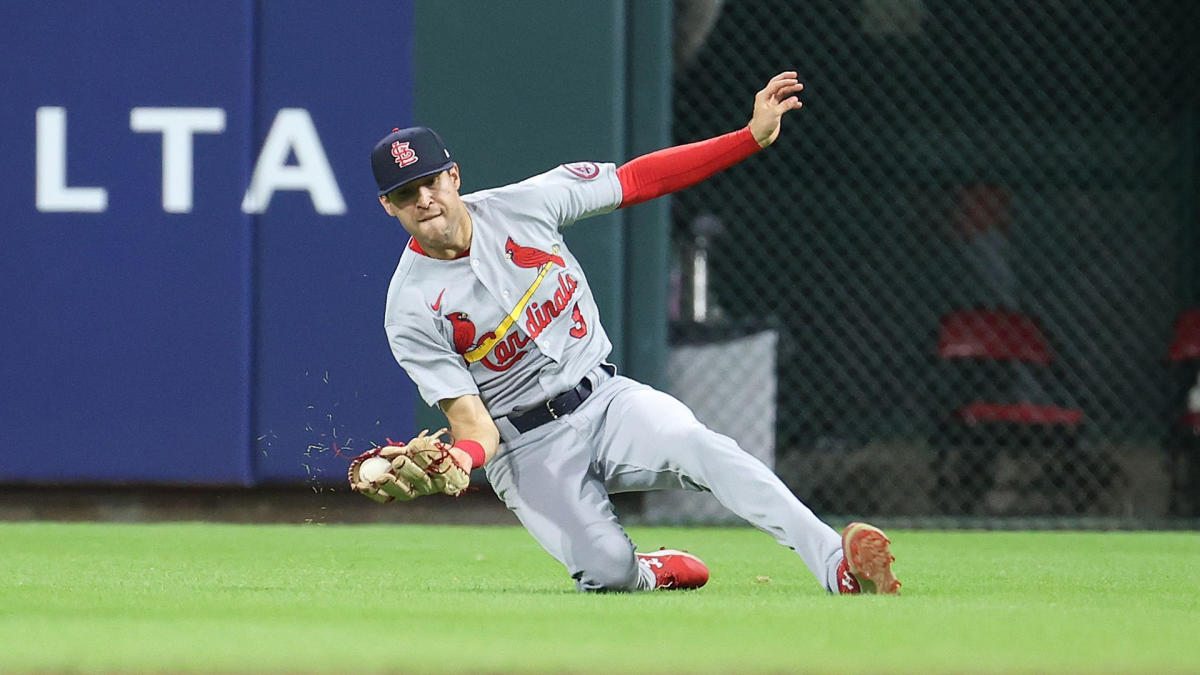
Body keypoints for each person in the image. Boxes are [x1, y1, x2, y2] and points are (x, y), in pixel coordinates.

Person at [362, 72, 901, 594]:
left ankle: (836, 564)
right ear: (388, 206)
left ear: (453, 177)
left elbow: (638, 178)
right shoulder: (409, 310)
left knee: (702, 446)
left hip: (606, 401)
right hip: (526, 449)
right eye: (406, 194)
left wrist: (748, 138)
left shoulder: (527, 204)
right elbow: (473, 424)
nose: (423, 200)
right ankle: (645, 570)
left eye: (429, 182)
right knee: (608, 570)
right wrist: (463, 459)